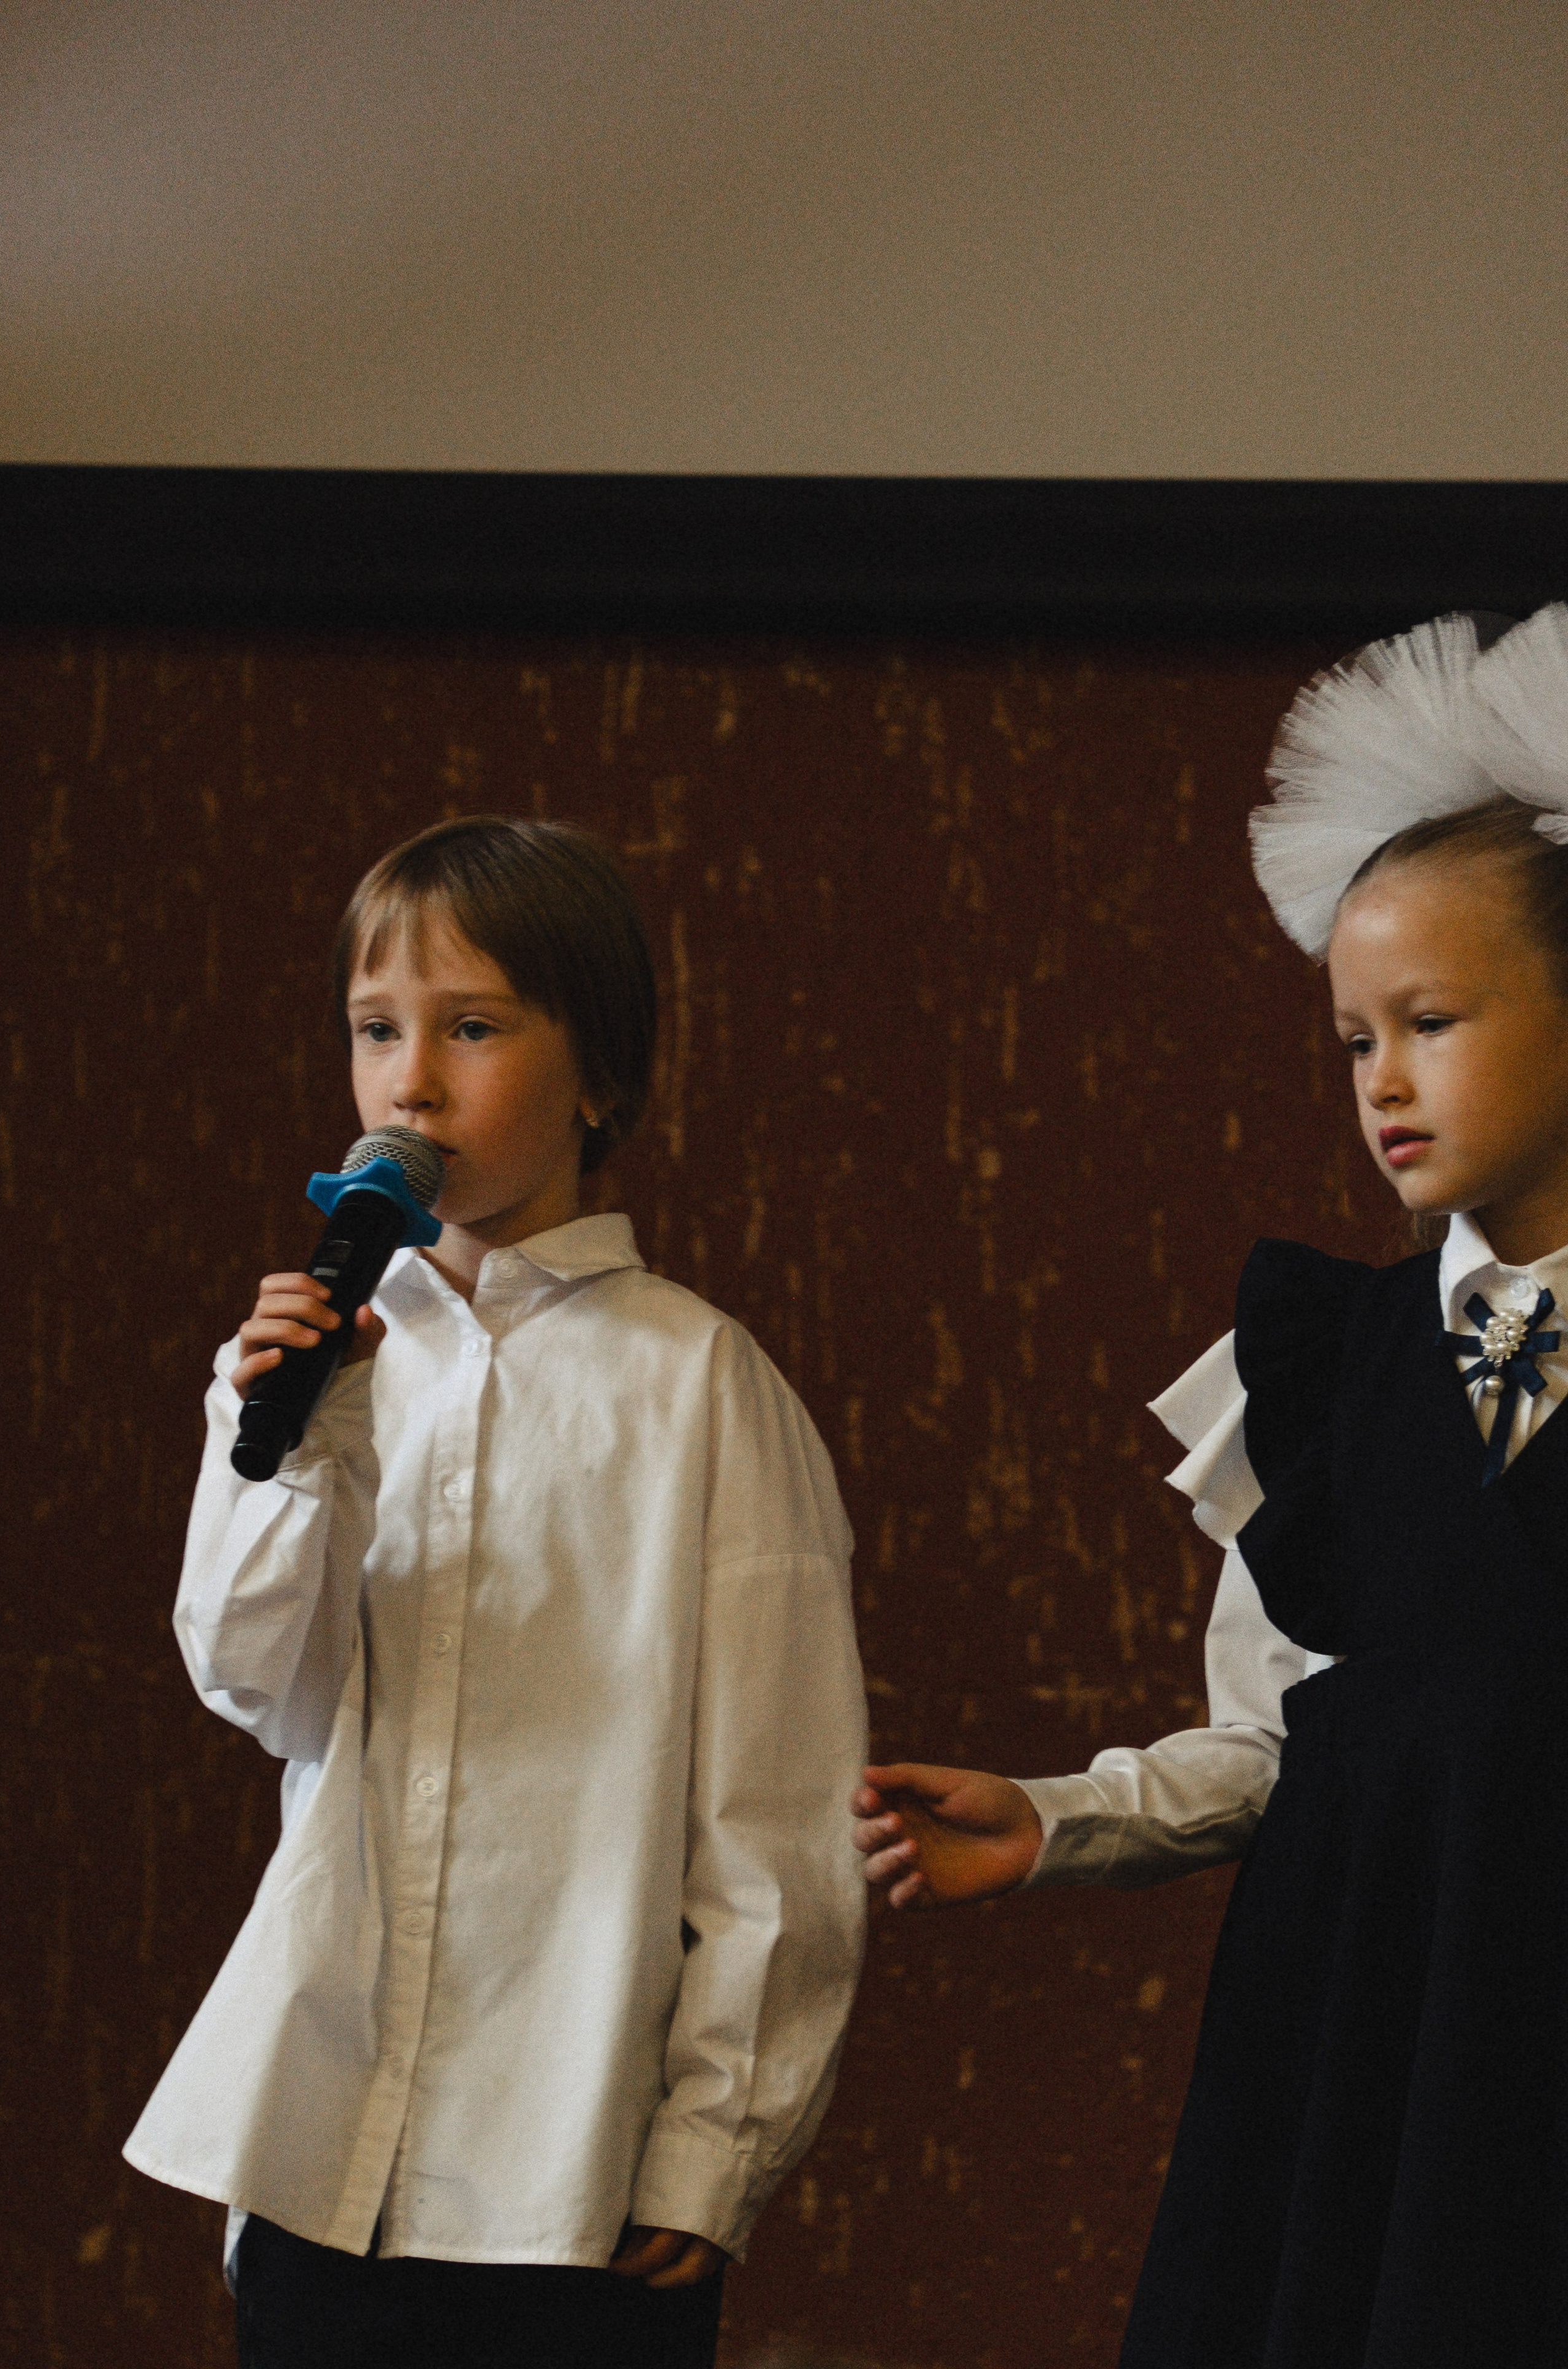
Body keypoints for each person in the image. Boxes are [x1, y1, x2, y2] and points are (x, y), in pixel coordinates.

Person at [853, 606, 1568, 2367]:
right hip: (1371, 2045)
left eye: (1434, 1020)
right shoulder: (1331, 1371)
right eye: (1351, 1040)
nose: (1384, 1081)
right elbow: (1280, 1730)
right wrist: (1061, 1824)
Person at [125, 816, 867, 2369]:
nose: (411, 1083)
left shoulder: (700, 1388)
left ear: (596, 1075)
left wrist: (716, 2141)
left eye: (473, 1028)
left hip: (572, 2180)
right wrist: (294, 1440)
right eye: (375, 1031)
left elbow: (777, 1815)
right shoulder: (311, 1366)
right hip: (325, 2154)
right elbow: (256, 1682)